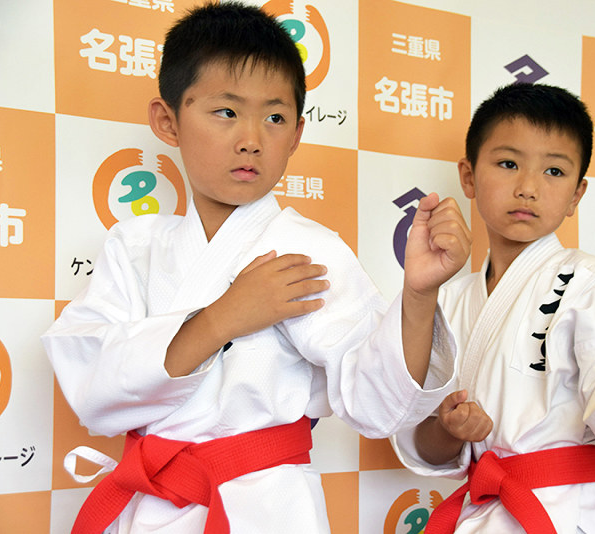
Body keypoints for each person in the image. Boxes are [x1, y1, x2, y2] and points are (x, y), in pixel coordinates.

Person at [41, 3, 470, 533]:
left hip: (267, 505)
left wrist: (420, 297)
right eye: (226, 112)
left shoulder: (307, 249)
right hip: (154, 505)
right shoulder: (133, 246)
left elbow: (375, 403)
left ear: (295, 135)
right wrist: (222, 318)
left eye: (274, 117)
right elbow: (92, 385)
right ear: (167, 121)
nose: (251, 138)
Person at [390, 83, 595, 534]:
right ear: (469, 176)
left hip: (579, 514)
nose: (528, 188)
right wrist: (449, 430)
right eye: (508, 163)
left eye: (554, 172)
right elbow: (423, 442)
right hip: (485, 513)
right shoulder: (446, 302)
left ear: (577, 194)